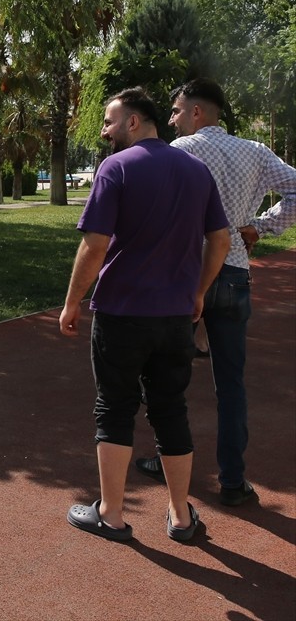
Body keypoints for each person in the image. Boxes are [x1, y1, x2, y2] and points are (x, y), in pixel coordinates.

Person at [59, 88, 229, 542]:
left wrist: (73, 301)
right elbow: (222, 240)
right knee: (171, 409)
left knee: (114, 407)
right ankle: (180, 517)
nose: (103, 130)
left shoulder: (115, 168)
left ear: (134, 122)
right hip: (176, 316)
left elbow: (95, 245)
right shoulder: (197, 171)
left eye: (109, 121)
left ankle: (111, 514)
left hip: (121, 312)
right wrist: (198, 293)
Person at [133, 78, 296, 506]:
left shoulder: (181, 152)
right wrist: (261, 226)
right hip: (236, 273)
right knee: (231, 385)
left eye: (176, 111)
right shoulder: (255, 152)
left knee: (168, 379)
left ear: (197, 112)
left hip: (188, 277)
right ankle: (233, 480)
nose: (171, 119)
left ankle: (168, 461)